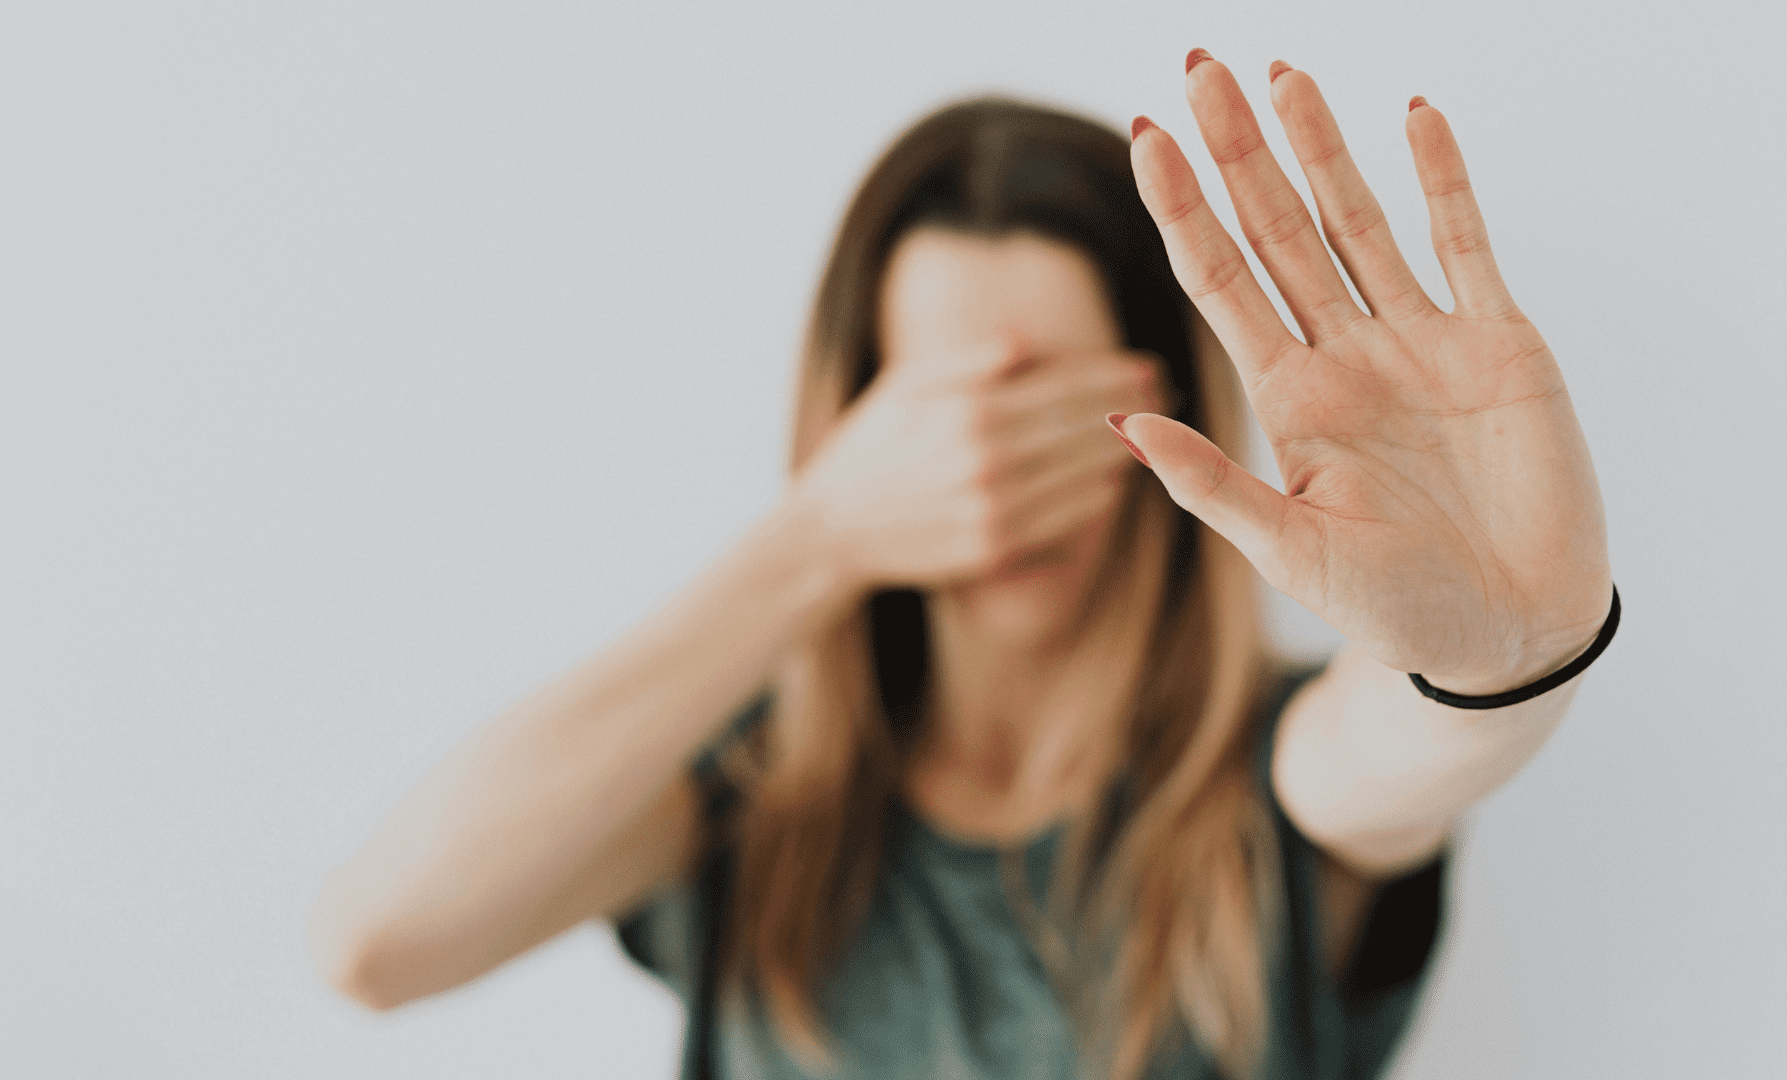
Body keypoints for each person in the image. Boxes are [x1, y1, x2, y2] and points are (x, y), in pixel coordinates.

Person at [311, 50, 1614, 1080]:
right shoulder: (744, 794)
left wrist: (1513, 652)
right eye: (947, 420)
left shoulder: (1266, 783)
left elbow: (1411, 747)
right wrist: (817, 538)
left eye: (1063, 415)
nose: (996, 482)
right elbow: (377, 944)